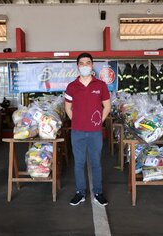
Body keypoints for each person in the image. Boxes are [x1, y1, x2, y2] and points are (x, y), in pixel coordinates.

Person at [64, 53, 111, 206]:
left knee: (96, 162)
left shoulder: (100, 85)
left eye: (88, 63)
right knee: (79, 163)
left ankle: (98, 192)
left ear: (92, 65)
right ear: (78, 66)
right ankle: (80, 192)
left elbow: (107, 106)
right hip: (77, 132)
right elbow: (68, 108)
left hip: (95, 132)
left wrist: (98, 122)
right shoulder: (72, 87)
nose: (85, 65)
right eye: (82, 63)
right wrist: (78, 121)